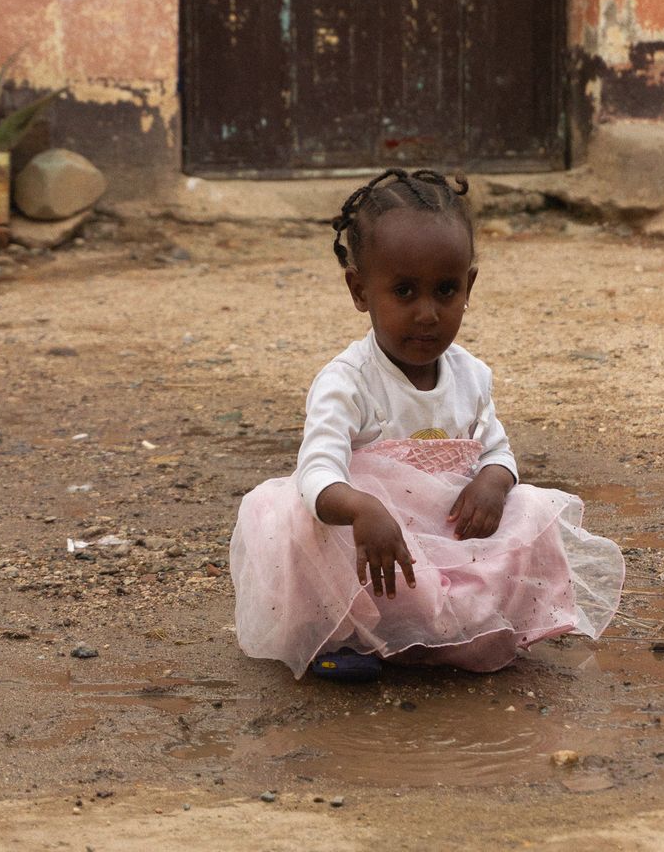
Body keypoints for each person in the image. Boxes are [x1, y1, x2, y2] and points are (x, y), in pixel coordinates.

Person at [230, 169, 624, 681]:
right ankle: (345, 636)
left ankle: (466, 627)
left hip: (447, 542)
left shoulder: (471, 375)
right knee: (285, 514)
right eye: (404, 291)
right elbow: (316, 472)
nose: (427, 314)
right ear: (360, 290)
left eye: (445, 290)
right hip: (376, 552)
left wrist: (492, 481)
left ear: (469, 286)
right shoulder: (347, 382)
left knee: (531, 505)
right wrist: (362, 508)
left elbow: (498, 452)